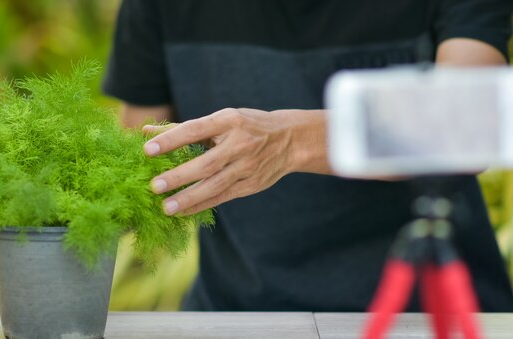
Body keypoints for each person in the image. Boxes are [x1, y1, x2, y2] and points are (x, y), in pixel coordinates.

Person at [103, 0, 513, 312]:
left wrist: (291, 141)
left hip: (425, 311)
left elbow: (470, 120)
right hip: (234, 313)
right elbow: (138, 154)